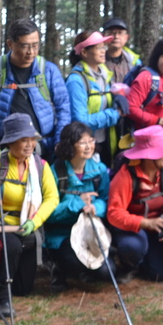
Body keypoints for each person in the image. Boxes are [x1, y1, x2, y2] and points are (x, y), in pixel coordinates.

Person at [0, 113, 61, 318]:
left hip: (26, 226)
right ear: (11, 141)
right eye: (24, 139)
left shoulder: (40, 166)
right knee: (9, 246)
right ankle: (1, 299)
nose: (30, 144)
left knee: (22, 288)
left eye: (32, 139)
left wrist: (34, 222)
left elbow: (52, 198)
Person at [0, 18, 70, 162]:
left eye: (35, 46)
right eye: (24, 46)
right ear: (10, 44)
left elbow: (63, 107)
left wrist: (59, 141)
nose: (31, 52)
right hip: (4, 148)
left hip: (43, 148)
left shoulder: (48, 71)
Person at [107, 125, 163, 282]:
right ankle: (129, 264)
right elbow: (114, 213)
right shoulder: (125, 176)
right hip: (132, 227)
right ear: (148, 156)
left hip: (158, 224)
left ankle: (145, 261)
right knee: (133, 246)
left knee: (160, 275)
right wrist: (145, 223)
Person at [44, 122, 112, 290]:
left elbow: (105, 199)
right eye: (82, 142)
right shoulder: (55, 173)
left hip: (90, 232)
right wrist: (77, 203)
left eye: (91, 141)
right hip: (62, 234)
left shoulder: (99, 170)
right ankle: (57, 265)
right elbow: (49, 212)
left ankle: (84, 272)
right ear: (69, 145)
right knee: (75, 263)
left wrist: (96, 208)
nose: (88, 146)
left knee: (107, 272)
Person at [66, 29, 129, 167]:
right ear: (84, 52)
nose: (103, 51)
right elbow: (80, 120)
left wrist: (118, 97)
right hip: (84, 146)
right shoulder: (76, 81)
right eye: (98, 47)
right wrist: (115, 114)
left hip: (105, 142)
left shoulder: (105, 75)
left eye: (104, 47)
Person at [125, 37, 163, 135]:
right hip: (144, 141)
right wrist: (159, 121)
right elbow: (130, 108)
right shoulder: (146, 77)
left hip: (162, 140)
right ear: (157, 57)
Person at [101, 17, 141, 84]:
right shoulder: (96, 61)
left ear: (126, 37)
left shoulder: (135, 62)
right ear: (103, 36)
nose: (116, 36)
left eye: (120, 33)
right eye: (111, 33)